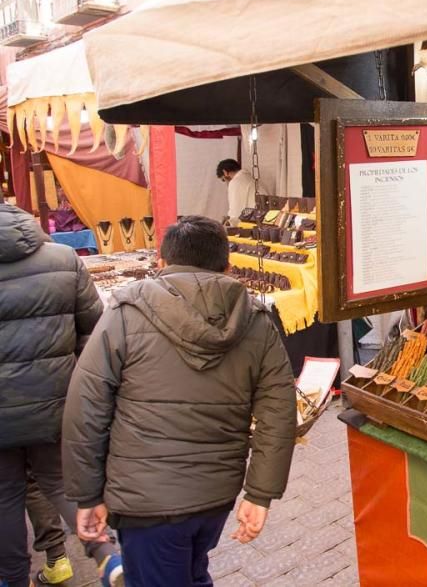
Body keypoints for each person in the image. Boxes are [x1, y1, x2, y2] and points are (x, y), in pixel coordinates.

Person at [62, 215, 297, 586]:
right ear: (228, 267)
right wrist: (259, 493)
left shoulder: (125, 313)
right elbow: (279, 412)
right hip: (215, 495)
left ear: (161, 264)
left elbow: (85, 406)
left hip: (145, 499)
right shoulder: (256, 321)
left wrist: (87, 494)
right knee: (191, 569)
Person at [0, 204, 123, 587]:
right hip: (56, 401)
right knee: (61, 482)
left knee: (4, 495)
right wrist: (75, 382)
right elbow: (94, 329)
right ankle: (107, 557)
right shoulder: (63, 258)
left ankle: (13, 579)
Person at [216, 158, 256, 226]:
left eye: (223, 180)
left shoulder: (235, 182)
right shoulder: (250, 178)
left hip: (252, 223)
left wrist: (230, 222)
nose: (226, 183)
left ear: (225, 172)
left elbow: (236, 211)